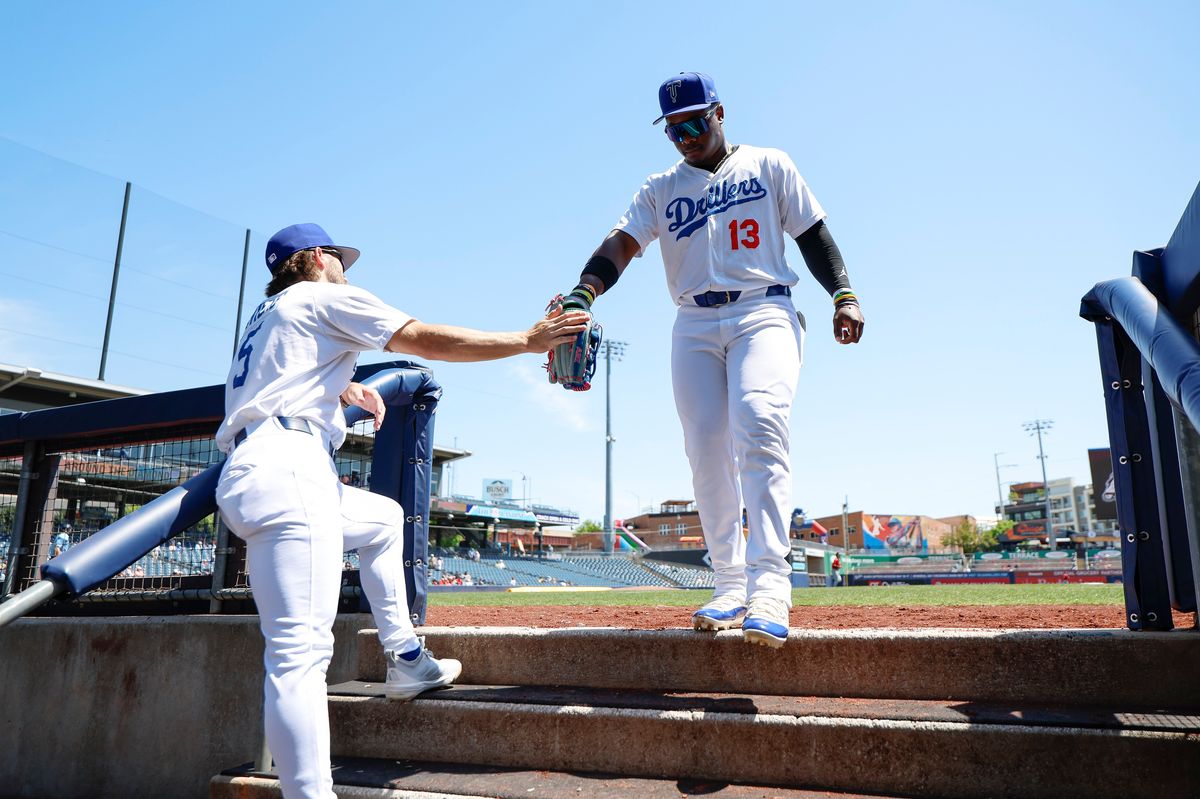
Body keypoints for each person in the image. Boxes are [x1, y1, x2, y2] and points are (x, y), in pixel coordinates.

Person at [214, 222, 586, 799]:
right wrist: (526, 339)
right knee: (298, 658)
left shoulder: (266, 315)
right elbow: (425, 339)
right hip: (290, 468)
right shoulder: (325, 294)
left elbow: (282, 376)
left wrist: (343, 390)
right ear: (317, 257)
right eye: (341, 260)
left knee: (384, 521)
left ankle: (406, 658)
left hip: (253, 470)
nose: (347, 271)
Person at [555, 72, 864, 648]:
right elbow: (621, 244)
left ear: (719, 112)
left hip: (763, 310)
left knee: (758, 422)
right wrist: (583, 291)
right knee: (704, 449)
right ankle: (729, 584)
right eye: (673, 129)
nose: (684, 136)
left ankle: (770, 586)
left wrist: (843, 294)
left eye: (694, 123)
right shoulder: (660, 187)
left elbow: (814, 235)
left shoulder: (769, 165)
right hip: (693, 321)